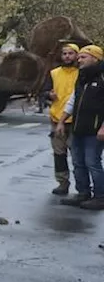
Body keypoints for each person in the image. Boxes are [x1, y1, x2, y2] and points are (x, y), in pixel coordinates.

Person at [56, 44, 104, 209]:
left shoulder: (101, 77)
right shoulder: (82, 77)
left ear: (95, 58)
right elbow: (73, 100)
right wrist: (62, 121)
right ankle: (83, 193)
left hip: (95, 130)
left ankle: (100, 197)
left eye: (83, 57)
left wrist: (103, 128)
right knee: (78, 162)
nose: (79, 59)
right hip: (78, 128)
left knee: (93, 162)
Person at [48, 43, 80, 196]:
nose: (67, 56)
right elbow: (44, 91)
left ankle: (83, 187)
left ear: (76, 56)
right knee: (59, 154)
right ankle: (62, 183)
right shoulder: (54, 73)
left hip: (76, 120)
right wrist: (49, 95)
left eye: (70, 53)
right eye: (64, 54)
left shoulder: (82, 73)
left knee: (78, 156)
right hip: (56, 119)